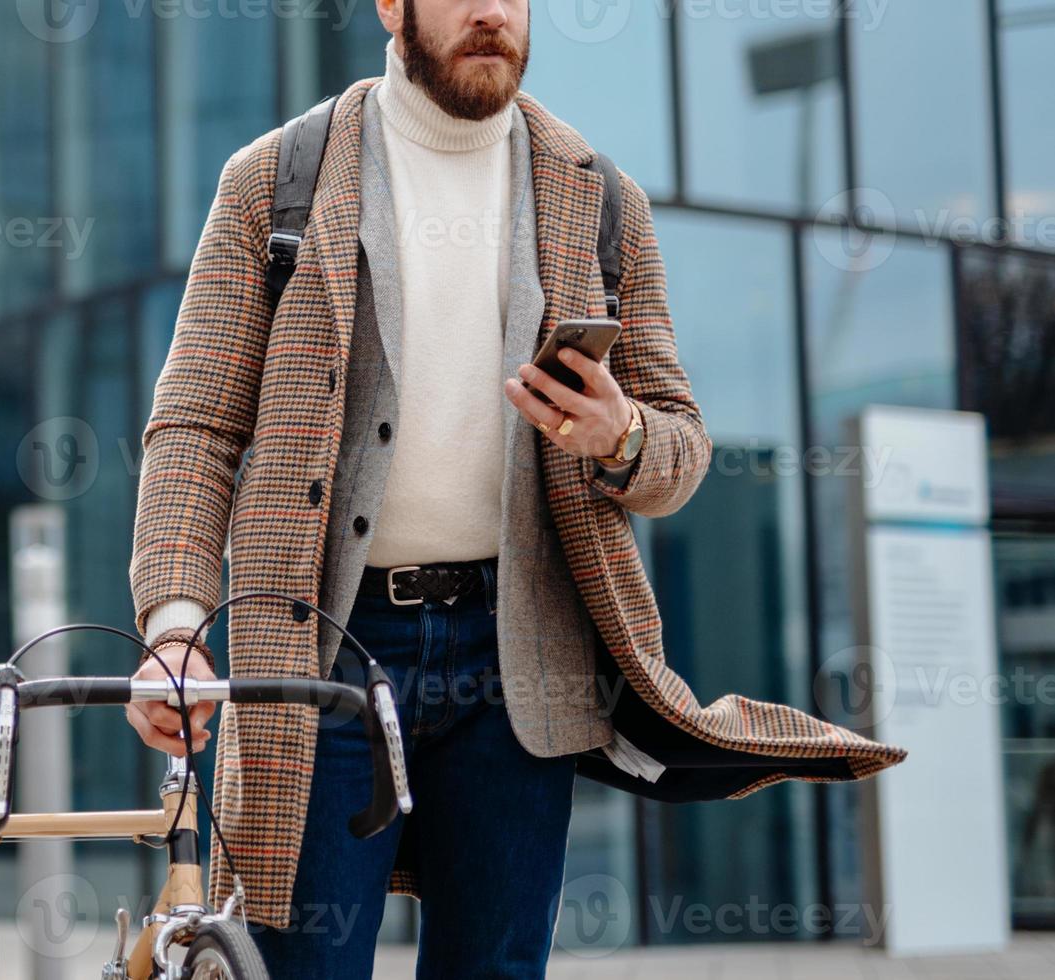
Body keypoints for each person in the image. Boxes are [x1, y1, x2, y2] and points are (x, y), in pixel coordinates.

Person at [125, 2, 904, 976]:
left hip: (519, 660)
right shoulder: (274, 183)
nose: (491, 10)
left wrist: (619, 433)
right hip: (317, 654)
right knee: (296, 965)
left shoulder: (602, 199)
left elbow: (682, 449)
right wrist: (176, 627)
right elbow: (196, 426)